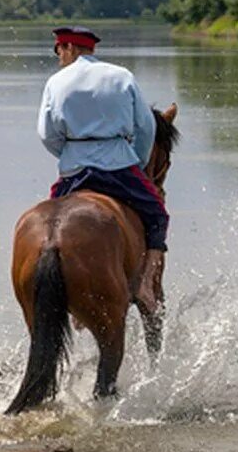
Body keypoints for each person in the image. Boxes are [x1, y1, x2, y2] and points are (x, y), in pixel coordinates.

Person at [37, 26, 169, 311]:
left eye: (58, 50)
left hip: (74, 169)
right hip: (119, 164)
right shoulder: (122, 76)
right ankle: (146, 284)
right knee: (157, 214)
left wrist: (71, 153)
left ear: (69, 47)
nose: (59, 57)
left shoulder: (56, 82)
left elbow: (47, 134)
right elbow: (145, 127)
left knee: (50, 223)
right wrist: (136, 160)